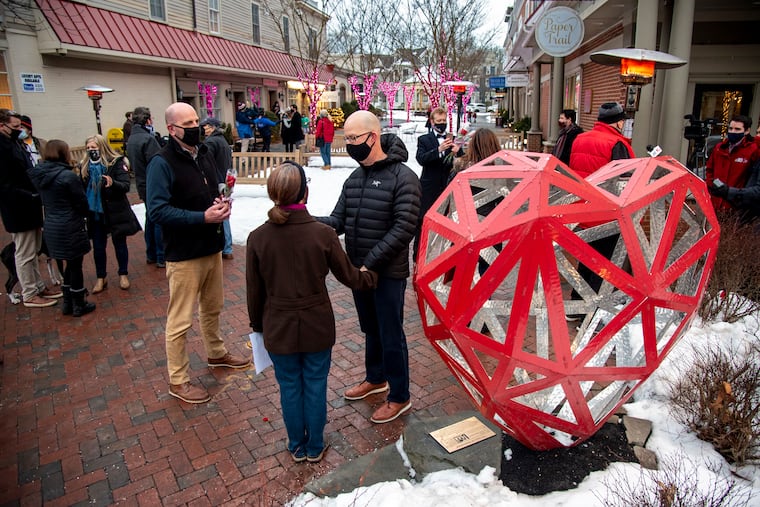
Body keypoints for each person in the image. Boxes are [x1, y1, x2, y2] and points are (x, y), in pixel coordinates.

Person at [246, 162, 377, 463]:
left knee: (290, 386)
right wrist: (372, 275)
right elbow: (350, 277)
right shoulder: (322, 233)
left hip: (278, 326)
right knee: (316, 384)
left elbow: (255, 292)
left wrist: (258, 326)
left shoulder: (258, 237)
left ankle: (296, 445)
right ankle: (315, 446)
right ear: (305, 192)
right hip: (317, 324)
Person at [316, 110, 421, 424]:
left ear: (373, 137)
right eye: (345, 139)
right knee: (370, 329)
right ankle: (376, 378)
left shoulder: (404, 178)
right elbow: (338, 220)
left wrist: (371, 263)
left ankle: (399, 395)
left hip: (387, 273)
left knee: (391, 334)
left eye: (353, 139)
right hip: (359, 272)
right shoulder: (354, 178)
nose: (349, 145)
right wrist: (305, 222)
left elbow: (404, 228)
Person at [147, 102, 250, 404]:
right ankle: (178, 380)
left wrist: (221, 203)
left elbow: (212, 190)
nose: (196, 127)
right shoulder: (161, 162)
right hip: (184, 254)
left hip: (211, 246)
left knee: (212, 307)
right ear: (171, 129)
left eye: (196, 121)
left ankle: (216, 354)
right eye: (187, 123)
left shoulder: (202, 154)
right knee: (180, 320)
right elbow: (157, 211)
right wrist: (201, 217)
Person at [567, 102, 634, 319]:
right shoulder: (616, 143)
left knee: (586, 260)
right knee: (604, 264)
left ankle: (577, 305)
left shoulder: (580, 138)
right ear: (619, 121)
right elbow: (624, 180)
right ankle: (591, 313)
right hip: (606, 213)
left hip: (582, 210)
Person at [0, 108, 61, 308]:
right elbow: (6, 184)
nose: (21, 130)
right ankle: (29, 292)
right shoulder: (2, 149)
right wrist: (30, 194)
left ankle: (38, 286)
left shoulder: (14, 144)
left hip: (30, 205)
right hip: (18, 208)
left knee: (34, 249)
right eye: (16, 127)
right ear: (3, 126)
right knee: (24, 252)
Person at [28, 140, 95, 317]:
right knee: (76, 265)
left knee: (67, 265)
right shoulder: (67, 176)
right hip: (70, 224)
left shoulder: (39, 175)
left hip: (51, 223)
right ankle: (79, 304)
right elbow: (81, 203)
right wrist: (86, 214)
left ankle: (67, 302)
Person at [81, 134, 141, 293]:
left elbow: (126, 186)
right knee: (99, 247)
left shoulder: (115, 163)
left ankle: (123, 274)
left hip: (114, 211)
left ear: (101, 147)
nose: (91, 151)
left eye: (94, 148)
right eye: (88, 148)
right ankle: (101, 277)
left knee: (119, 243)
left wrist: (113, 182)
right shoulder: (85, 168)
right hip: (95, 212)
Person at [414, 107, 461, 258]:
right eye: (439, 121)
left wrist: (458, 152)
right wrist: (439, 150)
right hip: (429, 187)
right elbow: (421, 159)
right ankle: (418, 256)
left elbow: (462, 162)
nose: (442, 124)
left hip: (448, 186)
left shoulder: (451, 138)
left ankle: (444, 256)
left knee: (448, 222)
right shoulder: (424, 140)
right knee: (423, 222)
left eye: (444, 121)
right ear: (432, 122)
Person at [126, 106, 165, 267]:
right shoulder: (147, 139)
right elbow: (157, 162)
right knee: (158, 220)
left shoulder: (132, 138)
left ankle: (151, 253)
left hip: (141, 182)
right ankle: (160, 255)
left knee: (150, 217)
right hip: (151, 182)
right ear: (147, 120)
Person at [705, 115, 759, 212]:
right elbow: (709, 169)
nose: (732, 131)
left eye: (737, 129)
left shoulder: (753, 150)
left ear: (746, 131)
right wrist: (711, 187)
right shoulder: (719, 148)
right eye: (730, 128)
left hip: (735, 206)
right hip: (714, 203)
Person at [201, 117, 234, 259]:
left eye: (206, 126)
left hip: (218, 182)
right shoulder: (222, 140)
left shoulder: (210, 142)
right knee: (224, 211)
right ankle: (227, 247)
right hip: (227, 180)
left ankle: (225, 247)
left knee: (219, 213)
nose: (204, 129)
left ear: (213, 127)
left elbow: (206, 164)